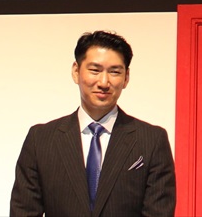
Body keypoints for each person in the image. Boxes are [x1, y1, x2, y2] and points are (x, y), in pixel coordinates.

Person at [10, 30, 175, 217]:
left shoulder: (151, 140)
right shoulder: (41, 139)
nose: (104, 82)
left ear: (126, 77)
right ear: (76, 71)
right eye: (95, 70)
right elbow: (24, 211)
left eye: (114, 72)